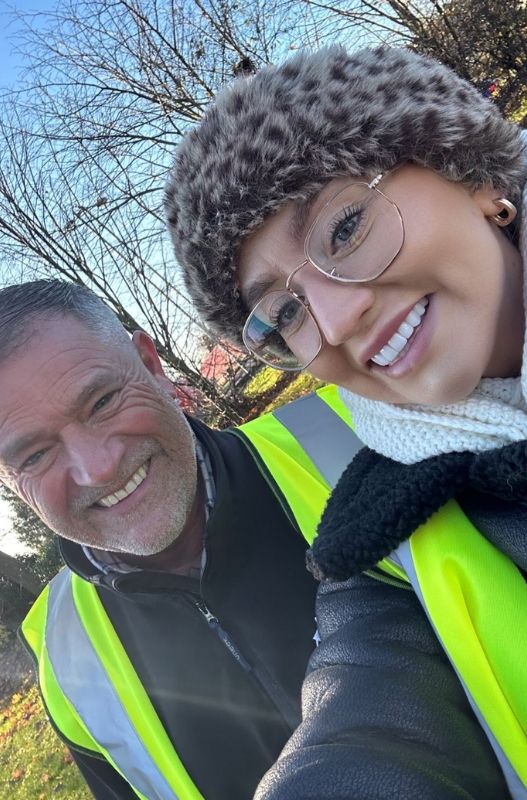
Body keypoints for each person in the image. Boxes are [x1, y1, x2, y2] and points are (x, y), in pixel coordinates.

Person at [164, 45, 527, 798]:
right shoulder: (376, 547)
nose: (333, 318)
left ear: (472, 173)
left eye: (345, 227)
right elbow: (367, 727)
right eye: (285, 312)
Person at [2, 279, 359, 800]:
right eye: (34, 456)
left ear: (151, 364)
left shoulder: (357, 434)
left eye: (101, 401)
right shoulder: (63, 659)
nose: (97, 469)